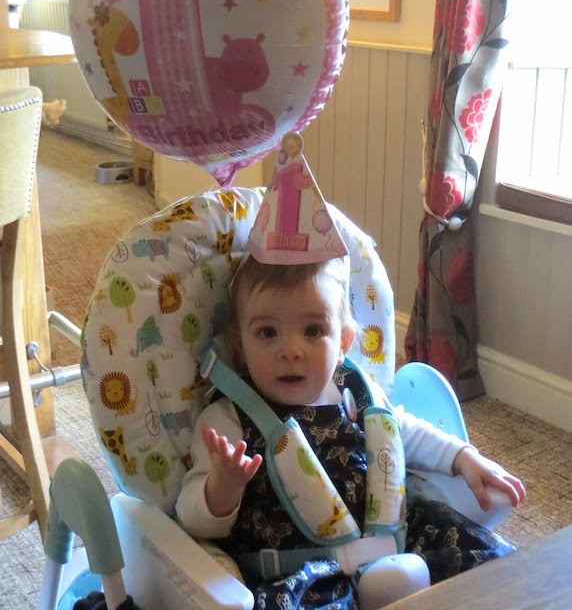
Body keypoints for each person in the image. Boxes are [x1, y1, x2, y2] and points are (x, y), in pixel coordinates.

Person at [176, 254, 526, 609]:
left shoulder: (354, 392)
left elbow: (399, 432)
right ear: (240, 345)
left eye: (313, 331)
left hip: (400, 544)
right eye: (268, 332)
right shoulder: (227, 420)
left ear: (343, 343)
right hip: (307, 576)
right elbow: (190, 522)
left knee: (493, 571)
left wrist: (462, 456)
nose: (291, 351)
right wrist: (223, 486)